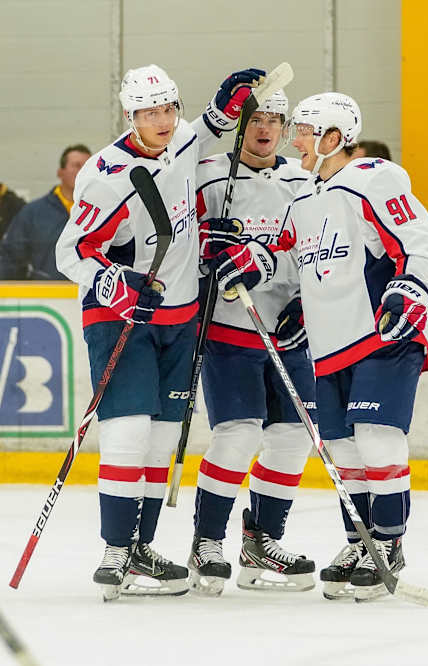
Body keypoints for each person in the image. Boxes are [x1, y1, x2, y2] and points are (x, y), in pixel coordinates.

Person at [209, 92, 428, 602]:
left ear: (334, 138)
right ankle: (359, 542)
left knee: (378, 438)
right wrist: (252, 263)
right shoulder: (307, 197)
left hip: (381, 336)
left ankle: (388, 540)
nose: (295, 140)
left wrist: (412, 290)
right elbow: (288, 256)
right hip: (330, 346)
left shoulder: (374, 179)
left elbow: (421, 243)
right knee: (343, 452)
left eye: (304, 131)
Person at [55, 63, 265, 600]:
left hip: (180, 314)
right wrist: (115, 284)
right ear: (131, 116)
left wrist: (230, 98)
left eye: (169, 108)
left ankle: (142, 547)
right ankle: (114, 551)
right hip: (123, 315)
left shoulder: (183, 138)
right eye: (151, 112)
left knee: (164, 437)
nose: (164, 120)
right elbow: (70, 251)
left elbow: (211, 126)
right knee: (127, 430)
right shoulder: (106, 173)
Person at [188, 90, 316, 596]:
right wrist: (205, 247)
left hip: (287, 331)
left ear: (285, 126)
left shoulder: (301, 181)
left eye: (273, 119)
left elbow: (315, 248)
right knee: (237, 435)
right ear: (239, 123)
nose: (264, 127)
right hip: (228, 328)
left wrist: (306, 303)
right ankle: (206, 543)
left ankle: (262, 540)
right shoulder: (207, 173)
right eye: (253, 117)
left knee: (293, 438)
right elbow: (179, 240)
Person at [0, 146, 91, 280]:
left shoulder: (106, 211)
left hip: (93, 295)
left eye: (87, 166)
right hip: (47, 296)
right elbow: (10, 258)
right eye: (76, 165)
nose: (83, 171)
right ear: (60, 172)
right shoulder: (33, 213)